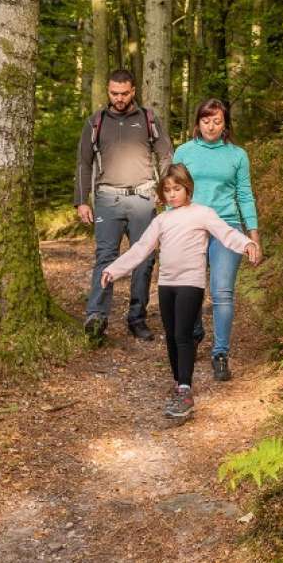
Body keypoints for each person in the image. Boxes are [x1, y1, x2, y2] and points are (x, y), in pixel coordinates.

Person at [101, 164, 259, 417]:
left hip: (190, 284)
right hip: (166, 284)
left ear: (188, 189)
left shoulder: (202, 214)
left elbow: (226, 233)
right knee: (172, 336)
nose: (172, 194)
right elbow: (141, 248)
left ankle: (185, 389)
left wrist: (247, 243)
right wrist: (113, 270)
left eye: (177, 189)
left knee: (184, 335)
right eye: (167, 190)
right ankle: (179, 385)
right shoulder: (161, 220)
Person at [74, 69, 173, 343]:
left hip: (143, 198)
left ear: (133, 91)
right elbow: (83, 163)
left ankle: (137, 318)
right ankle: (96, 317)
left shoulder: (148, 119)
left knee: (145, 258)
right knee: (105, 257)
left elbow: (166, 155)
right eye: (114, 93)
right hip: (107, 199)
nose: (119, 98)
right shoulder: (96, 122)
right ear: (108, 91)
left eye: (124, 94)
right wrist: (81, 201)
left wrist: (165, 191)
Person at [173, 99, 262, 381]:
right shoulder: (184, 152)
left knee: (222, 291)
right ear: (197, 123)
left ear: (225, 125)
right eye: (206, 121)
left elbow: (245, 195)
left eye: (217, 121)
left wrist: (253, 236)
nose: (211, 126)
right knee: (190, 287)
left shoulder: (237, 155)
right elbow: (173, 190)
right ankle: (194, 330)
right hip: (191, 226)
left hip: (227, 227)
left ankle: (220, 353)